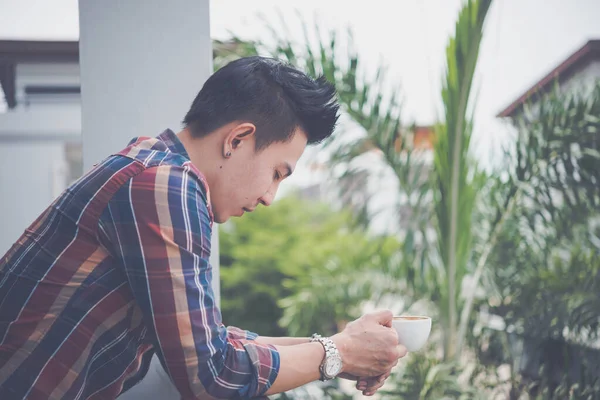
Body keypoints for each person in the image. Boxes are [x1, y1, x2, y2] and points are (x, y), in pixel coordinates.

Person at [0, 56, 406, 399]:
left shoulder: (155, 166)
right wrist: (338, 354)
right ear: (238, 140)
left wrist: (340, 348)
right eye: (277, 173)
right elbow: (211, 376)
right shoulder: (165, 185)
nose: (270, 197)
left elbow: (210, 341)